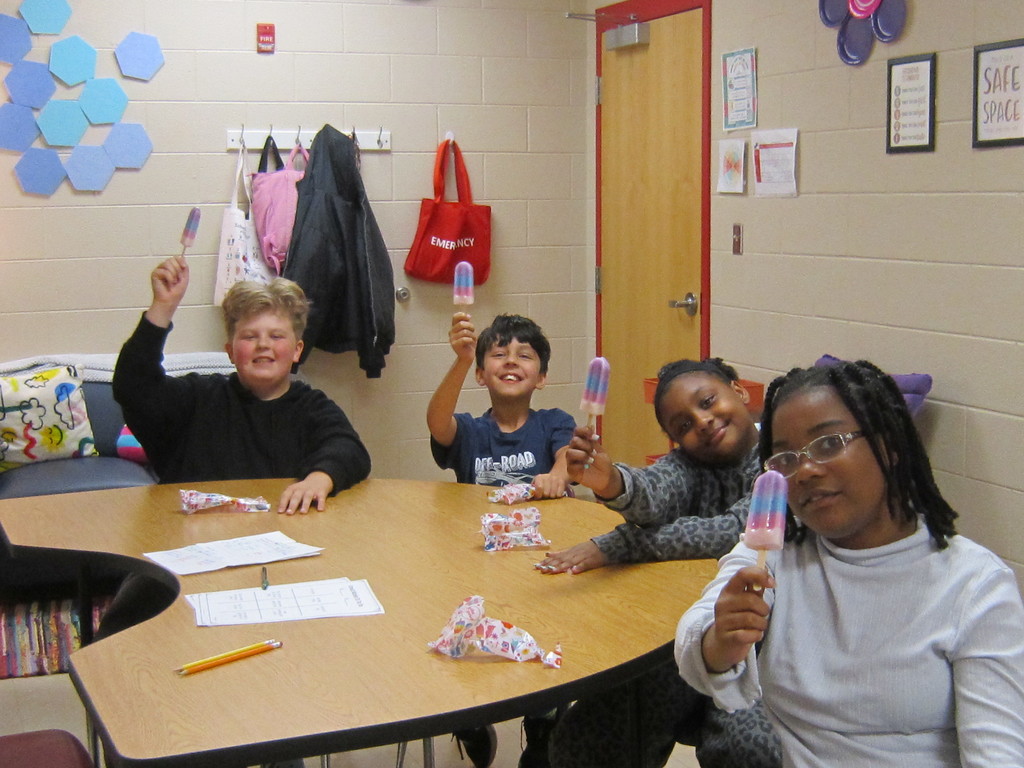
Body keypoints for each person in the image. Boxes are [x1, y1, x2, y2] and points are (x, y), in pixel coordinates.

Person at [676, 360, 1024, 767]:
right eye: (784, 459)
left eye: (828, 444)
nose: (803, 470)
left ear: (889, 446)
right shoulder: (774, 560)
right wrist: (721, 640)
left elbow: (997, 755)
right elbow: (692, 640)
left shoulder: (973, 584)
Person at [537, 358, 781, 768]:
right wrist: (610, 480)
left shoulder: (780, 460)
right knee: (591, 733)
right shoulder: (688, 467)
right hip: (682, 643)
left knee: (749, 749)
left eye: (708, 401)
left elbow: (734, 531)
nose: (702, 422)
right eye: (683, 426)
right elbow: (654, 489)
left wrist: (621, 545)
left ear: (739, 392)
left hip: (757, 656)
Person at [427, 311, 575, 768]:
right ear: (480, 373)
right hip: (480, 561)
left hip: (539, 560)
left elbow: (569, 457)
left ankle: (544, 722)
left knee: (543, 635)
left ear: (542, 376)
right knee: (469, 633)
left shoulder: (553, 421)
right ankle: (471, 715)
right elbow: (437, 422)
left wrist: (558, 473)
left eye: (525, 356)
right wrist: (459, 358)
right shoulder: (472, 430)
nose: (511, 362)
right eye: (498, 354)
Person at [113, 255, 371, 514]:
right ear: (231, 351)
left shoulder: (313, 407)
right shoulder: (197, 399)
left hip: (281, 535)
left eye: (276, 336)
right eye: (250, 336)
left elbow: (348, 449)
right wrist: (162, 307)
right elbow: (134, 387)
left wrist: (320, 478)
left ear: (297, 350)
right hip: (195, 539)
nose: (263, 345)